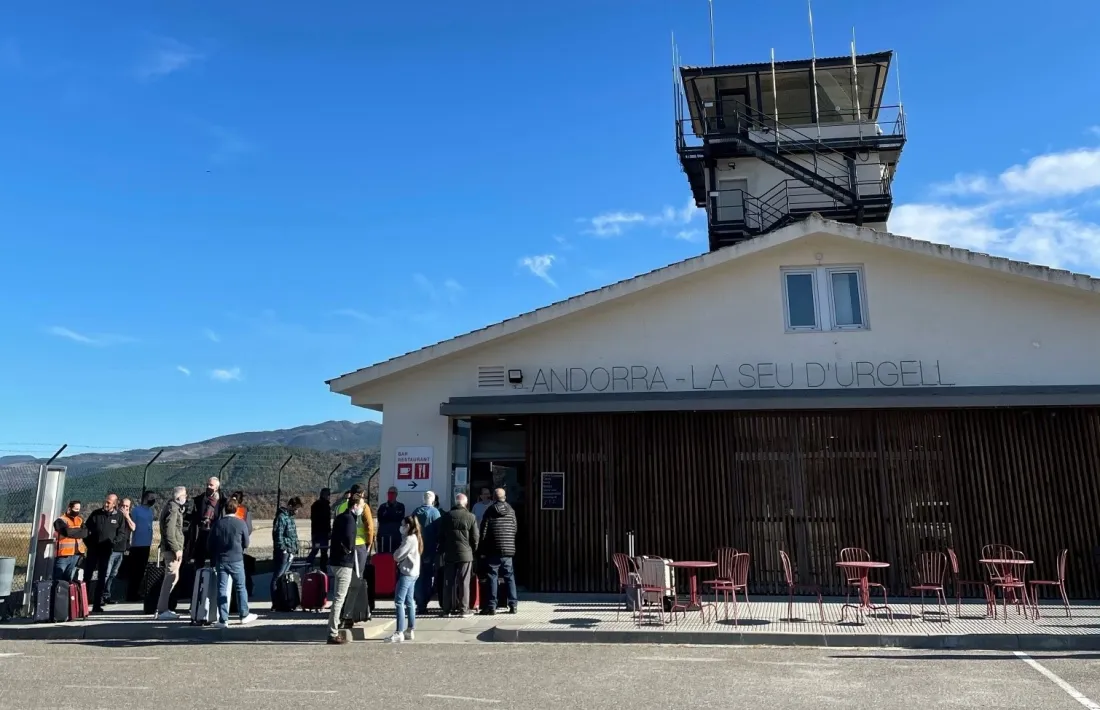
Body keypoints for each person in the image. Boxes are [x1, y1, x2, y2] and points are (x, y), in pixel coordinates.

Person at [207, 497, 258, 628]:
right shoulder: (241, 523)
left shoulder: (218, 524)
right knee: (240, 587)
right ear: (236, 509)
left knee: (222, 589)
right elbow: (246, 543)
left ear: (225, 509)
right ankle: (244, 614)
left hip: (221, 560)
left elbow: (210, 544)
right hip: (237, 559)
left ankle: (223, 619)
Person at [326, 492, 366, 645]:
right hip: (344, 563)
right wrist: (349, 550)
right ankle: (333, 632)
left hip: (335, 561)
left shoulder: (340, 517)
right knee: (339, 598)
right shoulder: (350, 520)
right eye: (361, 505)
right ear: (355, 505)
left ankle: (345, 617)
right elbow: (349, 540)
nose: (362, 508)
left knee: (354, 585)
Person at [478, 488, 519, 615]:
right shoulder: (511, 510)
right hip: (508, 549)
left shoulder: (490, 510)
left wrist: (482, 548)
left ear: (494, 498)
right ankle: (513, 605)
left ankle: (492, 606)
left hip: (493, 548)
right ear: (504, 497)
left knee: (492, 576)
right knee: (509, 576)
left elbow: (483, 530)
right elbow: (515, 528)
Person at [84, 493, 127, 612]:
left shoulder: (119, 516)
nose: (106, 504)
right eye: (106, 501)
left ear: (115, 504)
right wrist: (89, 544)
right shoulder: (96, 514)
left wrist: (113, 543)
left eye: (109, 502)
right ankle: (83, 604)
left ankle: (97, 604)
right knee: (87, 576)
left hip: (106, 551)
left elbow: (121, 533)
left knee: (102, 577)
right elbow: (86, 530)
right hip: (93, 550)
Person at [439, 492, 479, 617]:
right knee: (464, 582)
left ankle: (446, 609)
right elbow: (475, 537)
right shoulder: (471, 517)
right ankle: (464, 609)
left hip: (449, 553)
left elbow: (441, 536)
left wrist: (443, 549)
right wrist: (473, 550)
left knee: (448, 582)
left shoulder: (446, 516)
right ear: (465, 503)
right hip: (465, 554)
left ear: (455, 502)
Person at [155, 486, 188, 620]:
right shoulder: (173, 509)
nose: (186, 498)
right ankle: (162, 609)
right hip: (172, 550)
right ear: (179, 497)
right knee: (170, 578)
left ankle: (164, 608)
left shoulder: (172, 508)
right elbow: (170, 531)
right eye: (184, 495)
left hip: (172, 549)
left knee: (173, 578)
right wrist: (176, 549)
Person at [388, 515, 422, 643]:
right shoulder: (415, 538)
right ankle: (410, 629)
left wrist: (396, 553)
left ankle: (399, 632)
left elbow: (397, 556)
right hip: (414, 573)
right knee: (409, 601)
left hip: (407, 573)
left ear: (408, 526)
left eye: (403, 525)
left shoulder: (409, 539)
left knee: (399, 601)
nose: (401, 527)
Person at [332, 484, 376, 584]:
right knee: (358, 575)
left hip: (343, 546)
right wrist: (369, 543)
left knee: (344, 576)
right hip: (359, 544)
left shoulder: (340, 507)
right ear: (362, 494)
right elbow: (369, 527)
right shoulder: (364, 506)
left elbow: (335, 525)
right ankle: (356, 593)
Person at [413, 490, 442, 614]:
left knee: (418, 577)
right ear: (433, 500)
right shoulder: (435, 512)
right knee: (429, 577)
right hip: (430, 549)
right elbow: (439, 531)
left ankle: (419, 603)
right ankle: (424, 602)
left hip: (416, 549)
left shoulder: (416, 512)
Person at [125, 492, 156, 601]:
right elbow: (131, 526)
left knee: (141, 571)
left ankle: (137, 592)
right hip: (137, 545)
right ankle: (131, 594)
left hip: (147, 544)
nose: (153, 500)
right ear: (145, 498)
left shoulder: (150, 511)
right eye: (151, 498)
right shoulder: (136, 510)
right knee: (135, 571)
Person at [190, 477, 226, 566]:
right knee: (199, 557)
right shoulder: (200, 499)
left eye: (211, 485)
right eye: (207, 484)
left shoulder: (222, 501)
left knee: (215, 558)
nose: (208, 487)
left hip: (215, 532)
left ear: (216, 488)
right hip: (201, 532)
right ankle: (199, 573)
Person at [271, 497, 303, 594]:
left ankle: (282, 596)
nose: (296, 511)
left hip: (290, 551)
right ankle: (275, 598)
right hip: (284, 552)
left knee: (283, 576)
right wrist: (283, 549)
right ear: (290, 506)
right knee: (278, 576)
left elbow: (293, 535)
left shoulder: (290, 518)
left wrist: (294, 548)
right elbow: (278, 535)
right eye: (295, 509)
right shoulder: (281, 518)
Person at [52, 500, 87, 582]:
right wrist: (79, 531)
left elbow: (85, 533)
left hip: (76, 555)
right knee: (58, 578)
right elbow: (66, 532)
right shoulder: (60, 521)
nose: (77, 511)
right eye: (76, 509)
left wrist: (72, 531)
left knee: (68, 579)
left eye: (79, 509)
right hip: (64, 555)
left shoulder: (80, 520)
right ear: (69, 509)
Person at [306, 487, 332, 570]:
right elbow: (326, 521)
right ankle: (323, 569)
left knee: (315, 550)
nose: (329, 497)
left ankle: (308, 565)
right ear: (325, 495)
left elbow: (314, 520)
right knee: (323, 552)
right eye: (328, 495)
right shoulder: (325, 506)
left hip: (316, 533)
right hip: (323, 533)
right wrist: (329, 531)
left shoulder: (315, 505)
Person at [377, 486, 405, 553]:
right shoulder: (382, 507)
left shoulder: (400, 506)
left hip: (395, 536)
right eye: (389, 493)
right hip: (384, 536)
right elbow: (380, 519)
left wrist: (388, 515)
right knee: (384, 555)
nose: (390, 495)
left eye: (392, 493)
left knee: (395, 554)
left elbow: (399, 519)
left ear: (396, 494)